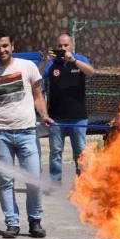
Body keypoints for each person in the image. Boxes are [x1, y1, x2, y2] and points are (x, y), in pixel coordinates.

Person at [0, 29, 53, 239]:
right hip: (0, 134)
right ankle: (12, 223)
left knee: (33, 179)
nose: (1, 50)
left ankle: (35, 221)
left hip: (27, 132)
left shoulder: (28, 67)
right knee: (5, 182)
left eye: (4, 46)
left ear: (12, 46)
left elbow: (38, 95)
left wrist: (44, 114)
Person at [38, 33, 95, 183]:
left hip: (78, 116)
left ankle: (83, 183)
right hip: (56, 117)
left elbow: (91, 72)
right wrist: (46, 61)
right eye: (60, 46)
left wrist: (74, 60)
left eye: (65, 45)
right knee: (56, 151)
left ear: (72, 46)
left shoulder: (79, 59)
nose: (62, 48)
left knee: (80, 151)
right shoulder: (52, 63)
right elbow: (36, 77)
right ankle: (55, 183)